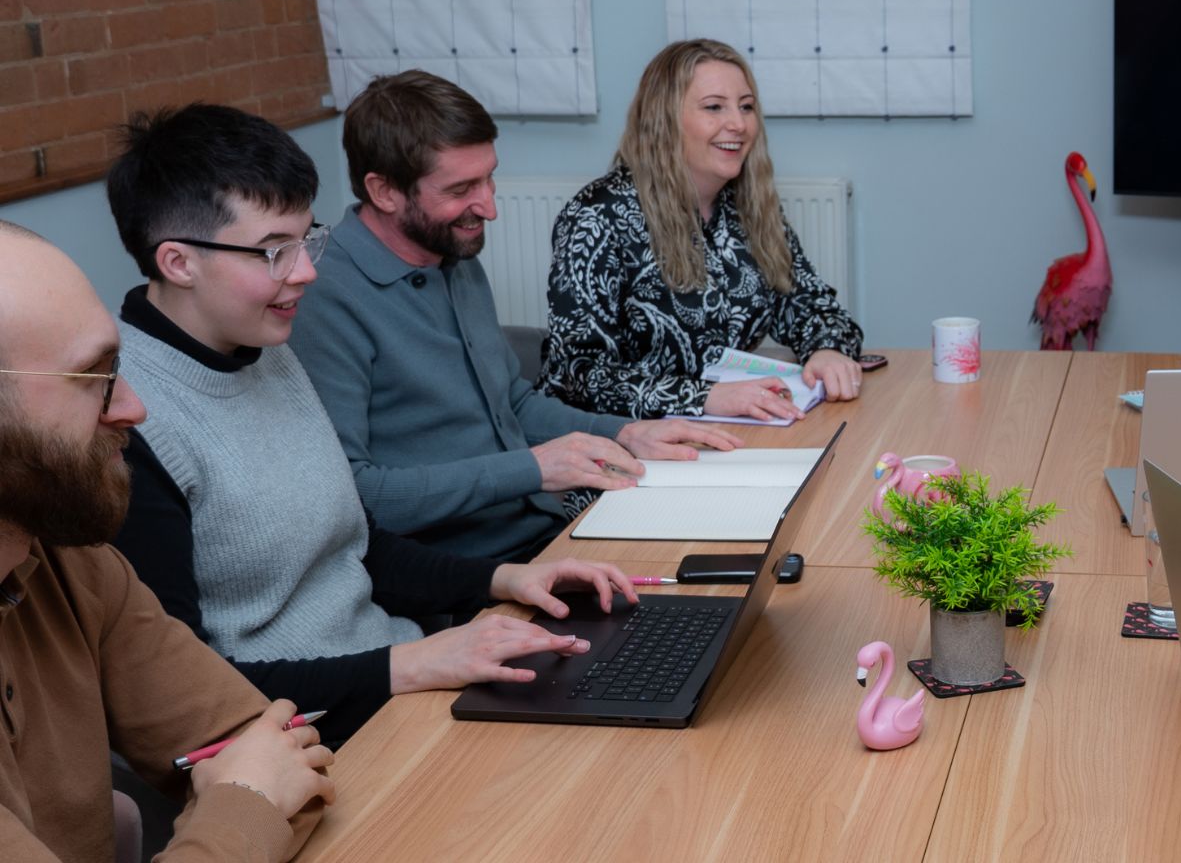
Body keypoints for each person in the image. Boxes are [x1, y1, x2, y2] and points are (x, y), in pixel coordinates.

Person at [104, 104, 648, 744]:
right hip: (303, 734)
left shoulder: (265, 349)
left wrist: (508, 579)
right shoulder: (127, 421)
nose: (306, 271)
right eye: (275, 252)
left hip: (393, 678)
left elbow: (352, 545)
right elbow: (182, 690)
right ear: (178, 263)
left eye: (307, 240)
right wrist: (410, 663)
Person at [289, 70, 740, 561]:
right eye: (461, 189)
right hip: (462, 570)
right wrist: (533, 469)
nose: (488, 207)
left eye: (489, 177)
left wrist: (625, 432)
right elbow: (355, 500)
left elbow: (511, 404)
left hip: (538, 530)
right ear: (384, 192)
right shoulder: (323, 296)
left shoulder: (452, 257)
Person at [0, 220, 333, 860]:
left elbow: (284, 757)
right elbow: (262, 789)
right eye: (93, 377)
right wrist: (244, 807)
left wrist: (247, 801)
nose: (133, 407)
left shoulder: (67, 557)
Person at [541, 38, 865, 423]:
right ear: (664, 121)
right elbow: (579, 374)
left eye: (747, 107)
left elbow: (809, 305)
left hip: (728, 430)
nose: (739, 124)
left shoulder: (748, 206)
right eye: (714, 107)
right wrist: (706, 397)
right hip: (619, 443)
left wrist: (825, 349)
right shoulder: (597, 216)